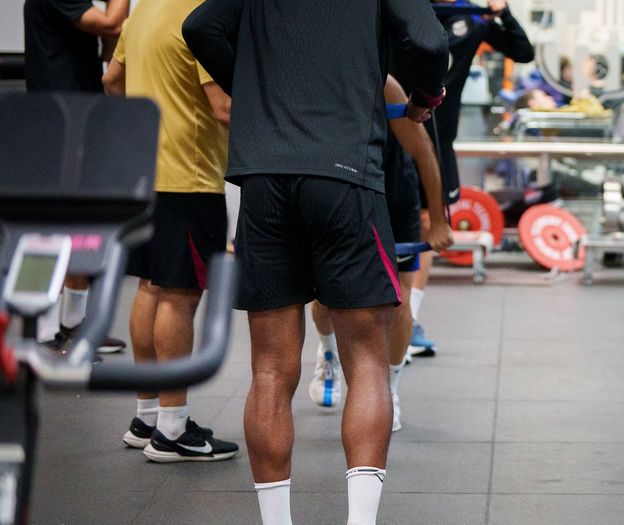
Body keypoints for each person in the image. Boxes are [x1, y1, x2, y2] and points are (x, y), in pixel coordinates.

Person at [183, 0, 448, 523]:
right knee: (366, 360)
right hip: (345, 171)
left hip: (264, 176)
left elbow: (200, 25)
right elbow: (430, 42)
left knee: (269, 370)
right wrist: (425, 97)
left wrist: (258, 88)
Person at [101, 0, 238, 462]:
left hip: (145, 173)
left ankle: (147, 416)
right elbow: (221, 107)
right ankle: (174, 430)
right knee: (179, 296)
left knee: (150, 289)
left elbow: (111, 81)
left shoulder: (144, 9)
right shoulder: (201, 14)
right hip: (190, 177)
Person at [308, 75, 454, 435]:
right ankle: (328, 354)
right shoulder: (311, 75)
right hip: (334, 192)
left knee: (397, 300)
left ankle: (389, 391)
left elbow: (422, 151)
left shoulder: (383, 83)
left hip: (392, 194)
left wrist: (437, 220)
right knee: (325, 300)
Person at [409, 0, 535, 357]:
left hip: (436, 141)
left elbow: (523, 52)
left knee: (426, 223)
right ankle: (381, 316)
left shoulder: (471, 20)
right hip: (390, 137)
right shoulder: (402, 11)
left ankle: (410, 318)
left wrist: (503, 12)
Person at [23, 0, 130, 355]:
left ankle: (74, 325)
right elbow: (112, 22)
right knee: (53, 226)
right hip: (59, 119)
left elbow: (110, 46)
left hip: (80, 113)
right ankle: (40, 328)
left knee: (83, 224)